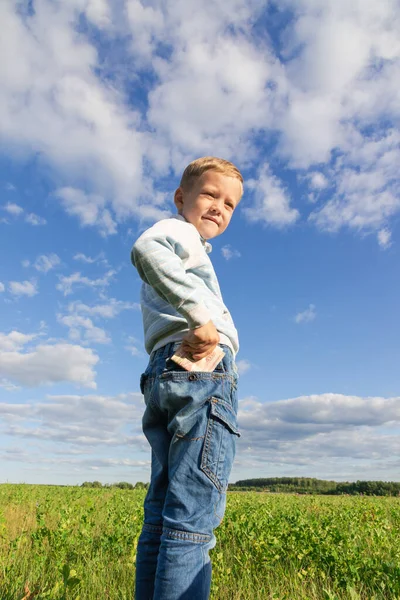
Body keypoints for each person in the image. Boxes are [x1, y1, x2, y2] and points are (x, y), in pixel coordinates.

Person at [131, 156, 243, 600]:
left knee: (160, 519)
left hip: (166, 373)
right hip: (201, 372)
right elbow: (145, 249)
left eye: (230, 204)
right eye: (210, 194)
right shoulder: (179, 231)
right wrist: (200, 314)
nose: (219, 207)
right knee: (192, 524)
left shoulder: (190, 248)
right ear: (182, 198)